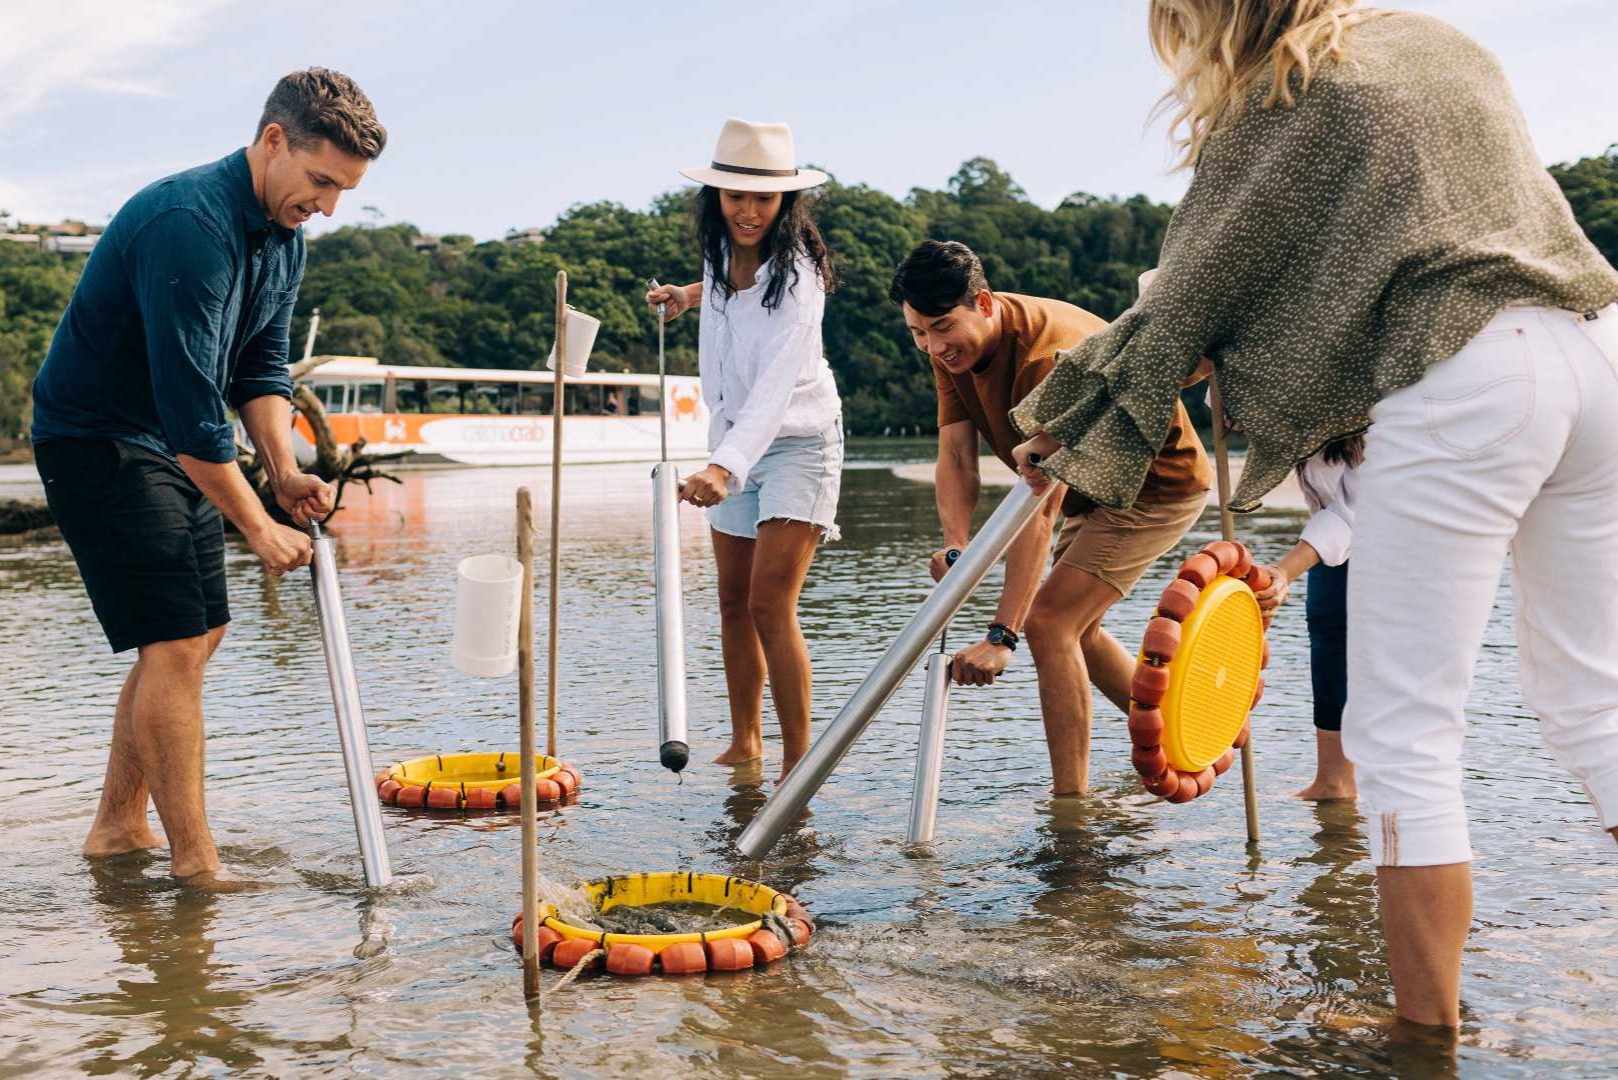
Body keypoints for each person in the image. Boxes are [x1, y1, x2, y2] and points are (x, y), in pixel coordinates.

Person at [1009, 1, 1618, 1029]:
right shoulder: (1439, 40)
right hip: (1594, 353)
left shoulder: (1285, 97)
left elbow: (1184, 299)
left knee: (1403, 738)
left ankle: (1422, 1035)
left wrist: (1062, 422)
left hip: (1463, 374)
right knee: (1597, 706)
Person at [30, 68, 387, 882]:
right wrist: (257, 524)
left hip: (168, 441)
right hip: (98, 438)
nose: (328, 206)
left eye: (344, 190)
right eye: (321, 181)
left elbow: (260, 367)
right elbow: (192, 410)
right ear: (273, 141)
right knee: (175, 640)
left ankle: (119, 828)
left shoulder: (283, 238)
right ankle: (196, 865)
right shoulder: (190, 224)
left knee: (198, 634)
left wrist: (284, 473)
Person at [889, 240, 1209, 795]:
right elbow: (957, 456)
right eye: (917, 333)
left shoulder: (1044, 358)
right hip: (1088, 486)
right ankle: (1189, 731)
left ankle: (1070, 814)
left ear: (983, 303)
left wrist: (1001, 636)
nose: (933, 346)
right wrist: (956, 545)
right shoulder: (952, 352)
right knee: (1078, 633)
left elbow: (1038, 509)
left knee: (1049, 623)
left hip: (1152, 484)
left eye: (941, 328)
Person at [644, 118, 842, 778]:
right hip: (731, 441)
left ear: (787, 201)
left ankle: (798, 761)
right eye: (736, 196)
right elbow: (731, 295)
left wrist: (724, 467)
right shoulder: (719, 253)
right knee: (732, 601)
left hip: (798, 444)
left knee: (768, 604)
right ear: (717, 198)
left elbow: (776, 388)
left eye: (764, 198)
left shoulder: (801, 278)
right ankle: (745, 742)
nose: (749, 211)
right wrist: (687, 295)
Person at [1252, 436, 1362, 801]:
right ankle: (1333, 782)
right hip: (1333, 532)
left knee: (1386, 661)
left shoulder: (1372, 417)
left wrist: (1284, 571)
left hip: (1404, 535)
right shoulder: (1300, 417)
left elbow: (1358, 508)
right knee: (1328, 633)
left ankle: (1402, 799)